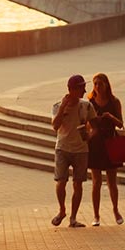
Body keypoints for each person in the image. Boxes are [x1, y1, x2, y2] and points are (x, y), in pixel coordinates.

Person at [51, 74, 97, 228]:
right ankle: (62, 210)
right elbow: (55, 126)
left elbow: (95, 126)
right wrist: (63, 107)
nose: (84, 90)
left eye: (84, 87)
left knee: (78, 184)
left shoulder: (87, 105)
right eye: (81, 87)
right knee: (61, 181)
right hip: (63, 148)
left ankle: (73, 218)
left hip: (81, 149)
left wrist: (89, 135)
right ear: (71, 89)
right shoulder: (58, 106)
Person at [87, 73, 125, 226]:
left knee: (112, 181)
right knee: (96, 182)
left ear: (107, 85)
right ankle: (96, 215)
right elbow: (87, 124)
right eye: (95, 84)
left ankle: (116, 210)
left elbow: (121, 123)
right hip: (95, 144)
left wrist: (110, 117)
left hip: (110, 142)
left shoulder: (114, 101)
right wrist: (93, 120)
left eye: (100, 84)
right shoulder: (90, 103)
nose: (97, 87)